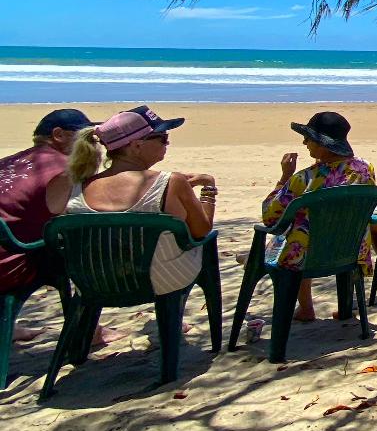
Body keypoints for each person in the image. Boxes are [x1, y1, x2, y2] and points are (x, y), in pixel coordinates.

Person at [46, 107, 216, 296]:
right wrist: (208, 187)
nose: (166, 144)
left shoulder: (77, 186)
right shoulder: (171, 182)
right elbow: (201, 230)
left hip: (92, 280)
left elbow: (53, 211)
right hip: (160, 281)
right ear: (135, 146)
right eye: (162, 138)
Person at [263, 111, 375, 322]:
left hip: (310, 254)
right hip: (351, 248)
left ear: (322, 143)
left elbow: (270, 217)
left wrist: (284, 176)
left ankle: (306, 308)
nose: (305, 142)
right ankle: (343, 306)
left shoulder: (304, 178)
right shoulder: (365, 169)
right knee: (306, 232)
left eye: (309, 138)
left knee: (295, 237)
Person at [0, 109, 97, 343]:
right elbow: (76, 221)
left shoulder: (9, 162)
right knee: (85, 252)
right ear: (59, 134)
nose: (93, 144)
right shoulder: (64, 169)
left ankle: (6, 326)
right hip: (9, 269)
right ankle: (90, 331)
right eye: (87, 137)